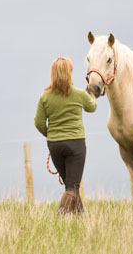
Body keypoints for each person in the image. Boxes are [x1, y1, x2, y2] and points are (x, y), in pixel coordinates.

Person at [34, 57, 97, 215]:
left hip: (55, 145)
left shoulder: (45, 96)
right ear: (69, 73)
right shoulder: (78, 94)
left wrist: (52, 135)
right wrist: (92, 93)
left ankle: (81, 219)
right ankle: (60, 216)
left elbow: (39, 123)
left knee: (70, 186)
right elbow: (92, 107)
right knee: (73, 186)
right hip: (75, 143)